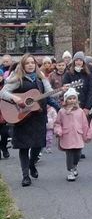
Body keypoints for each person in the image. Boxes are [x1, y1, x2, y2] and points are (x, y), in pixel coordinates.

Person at [0, 54, 54, 186]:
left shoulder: (41, 79)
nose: (30, 65)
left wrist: (62, 90)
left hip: (38, 116)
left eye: (32, 63)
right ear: (23, 65)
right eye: (27, 63)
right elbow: (3, 93)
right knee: (24, 147)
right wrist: (16, 98)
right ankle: (25, 176)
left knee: (38, 145)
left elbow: (50, 92)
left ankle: (31, 164)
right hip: (22, 117)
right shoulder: (17, 78)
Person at [63, 51, 92, 160]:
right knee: (71, 126)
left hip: (84, 103)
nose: (78, 62)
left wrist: (88, 107)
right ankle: (72, 147)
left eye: (80, 60)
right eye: (76, 60)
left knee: (81, 127)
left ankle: (79, 147)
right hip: (70, 103)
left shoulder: (88, 73)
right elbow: (64, 88)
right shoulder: (68, 73)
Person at [54, 87, 89, 181]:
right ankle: (70, 171)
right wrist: (58, 131)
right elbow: (58, 123)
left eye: (74, 98)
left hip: (78, 135)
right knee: (69, 154)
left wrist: (86, 136)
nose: (72, 100)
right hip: (67, 136)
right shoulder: (62, 111)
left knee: (78, 154)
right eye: (69, 98)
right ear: (66, 100)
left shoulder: (80, 111)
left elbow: (84, 124)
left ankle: (74, 166)